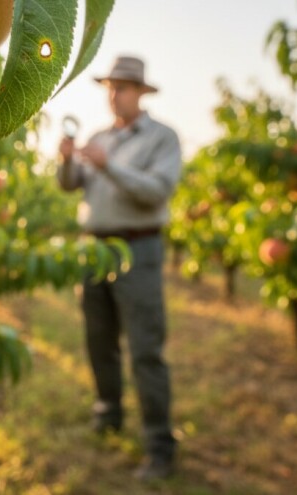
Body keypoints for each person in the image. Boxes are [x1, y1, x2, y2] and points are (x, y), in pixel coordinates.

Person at [56, 55, 182, 481]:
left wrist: (108, 165)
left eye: (123, 87)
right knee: (98, 338)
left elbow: (157, 192)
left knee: (145, 348)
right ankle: (108, 412)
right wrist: (68, 160)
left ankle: (159, 444)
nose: (114, 94)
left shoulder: (161, 138)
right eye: (110, 87)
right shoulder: (99, 137)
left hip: (139, 249)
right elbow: (72, 185)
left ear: (141, 93)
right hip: (96, 250)